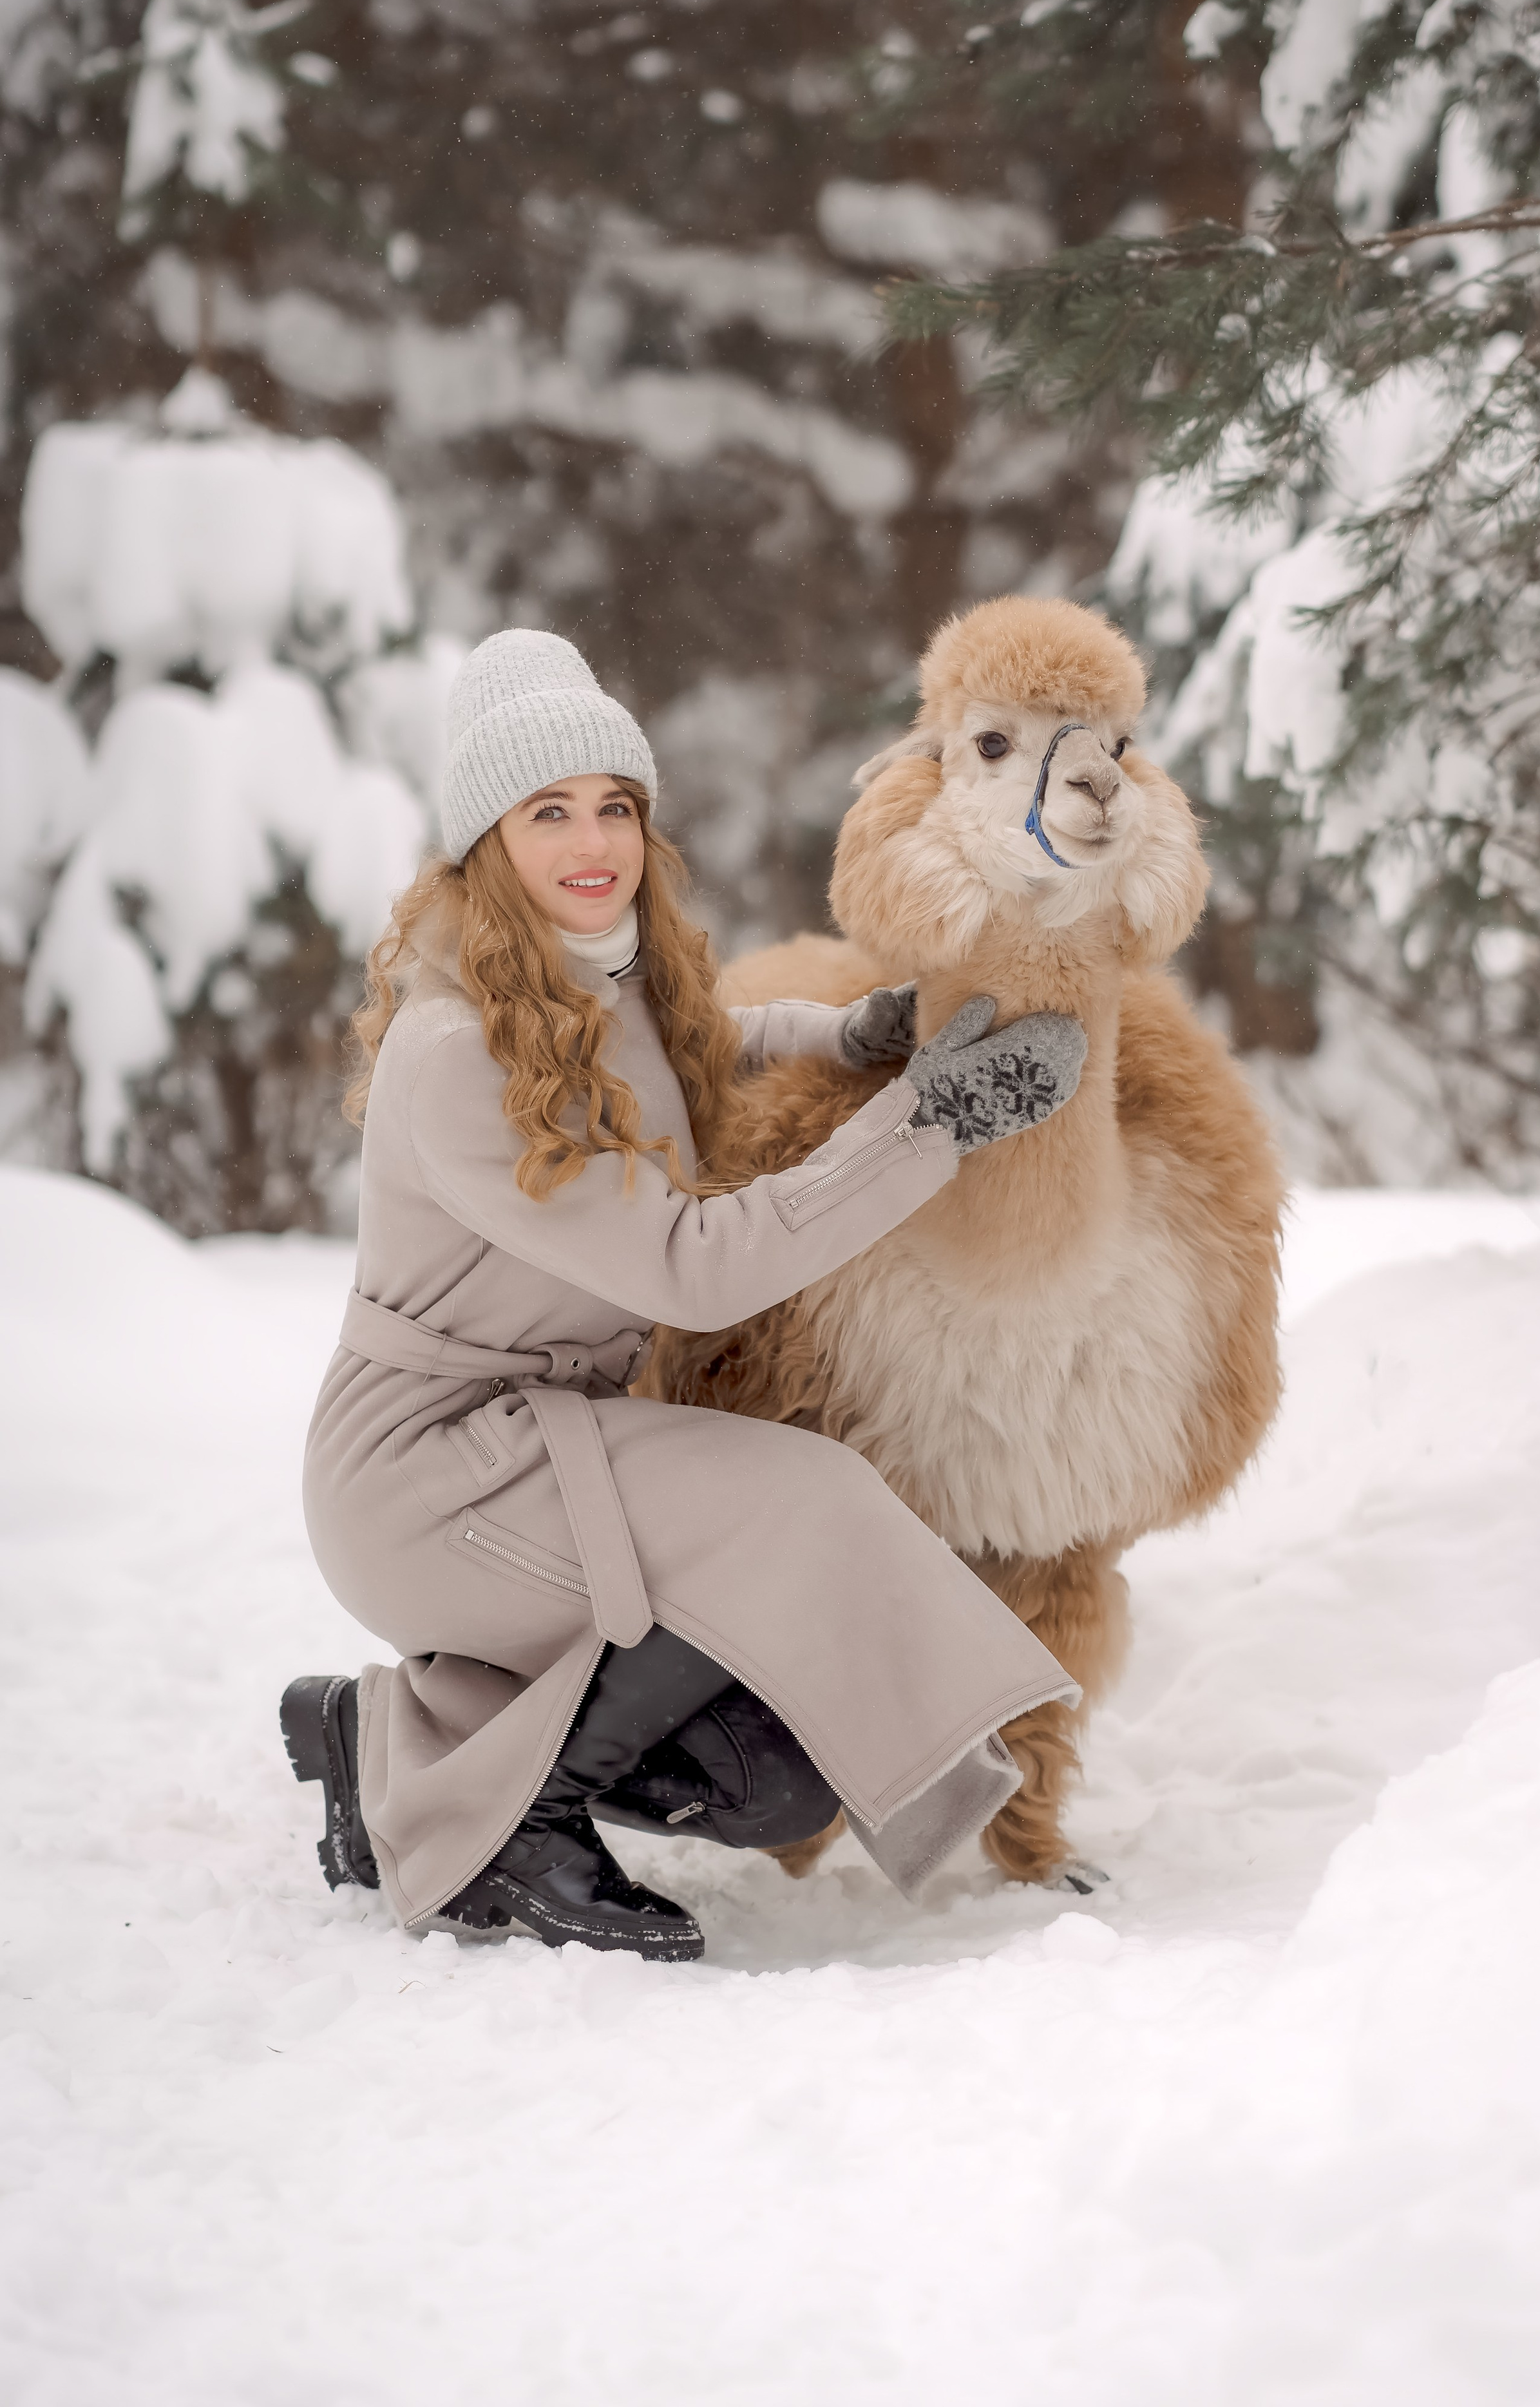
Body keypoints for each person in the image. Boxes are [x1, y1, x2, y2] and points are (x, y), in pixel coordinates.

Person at [286, 629, 1088, 1961]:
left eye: (614, 807)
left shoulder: (597, 981)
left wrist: (847, 1037)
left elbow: (701, 1041)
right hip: (426, 1480)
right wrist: (920, 1127)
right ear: (485, 842)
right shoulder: (454, 1058)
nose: (591, 840)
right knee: (802, 1505)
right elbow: (691, 1268)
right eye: (548, 813)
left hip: (551, 1449)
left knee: (777, 1774)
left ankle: (387, 1746)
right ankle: (515, 1829)